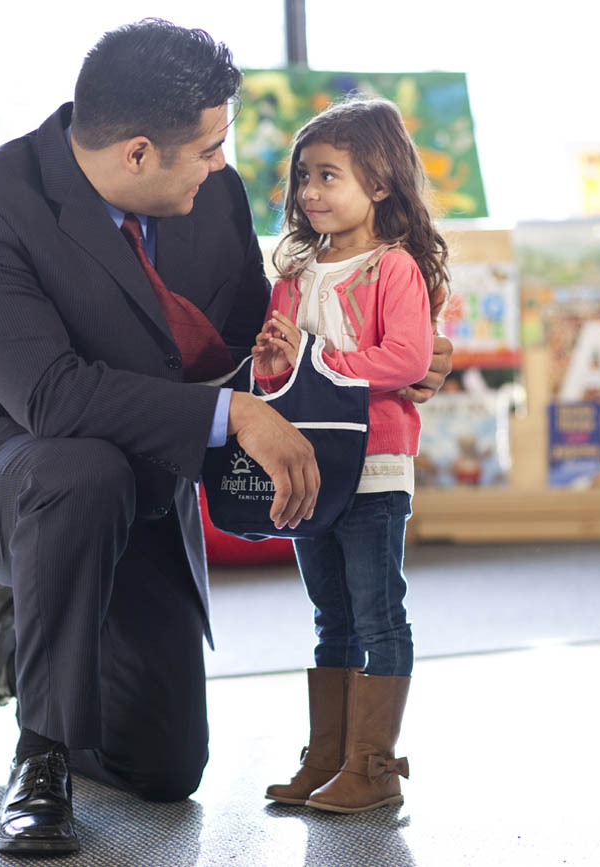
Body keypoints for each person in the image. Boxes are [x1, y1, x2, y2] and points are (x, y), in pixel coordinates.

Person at [0, 21, 453, 855]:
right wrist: (235, 416)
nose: (221, 165)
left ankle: (21, 649)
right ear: (134, 153)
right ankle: (38, 757)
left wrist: (374, 361)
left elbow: (245, 334)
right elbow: (50, 395)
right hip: (6, 470)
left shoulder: (210, 196)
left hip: (144, 471)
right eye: (207, 149)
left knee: (163, 769)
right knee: (78, 470)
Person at [251, 98, 449, 814]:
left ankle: (373, 765)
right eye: (303, 175)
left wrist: (315, 357)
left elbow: (405, 356)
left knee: (377, 614)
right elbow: (277, 378)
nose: (309, 192)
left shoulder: (392, 269)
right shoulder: (295, 271)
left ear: (379, 183)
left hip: (373, 467)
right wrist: (274, 363)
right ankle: (328, 756)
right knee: (328, 614)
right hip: (308, 465)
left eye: (328, 175)